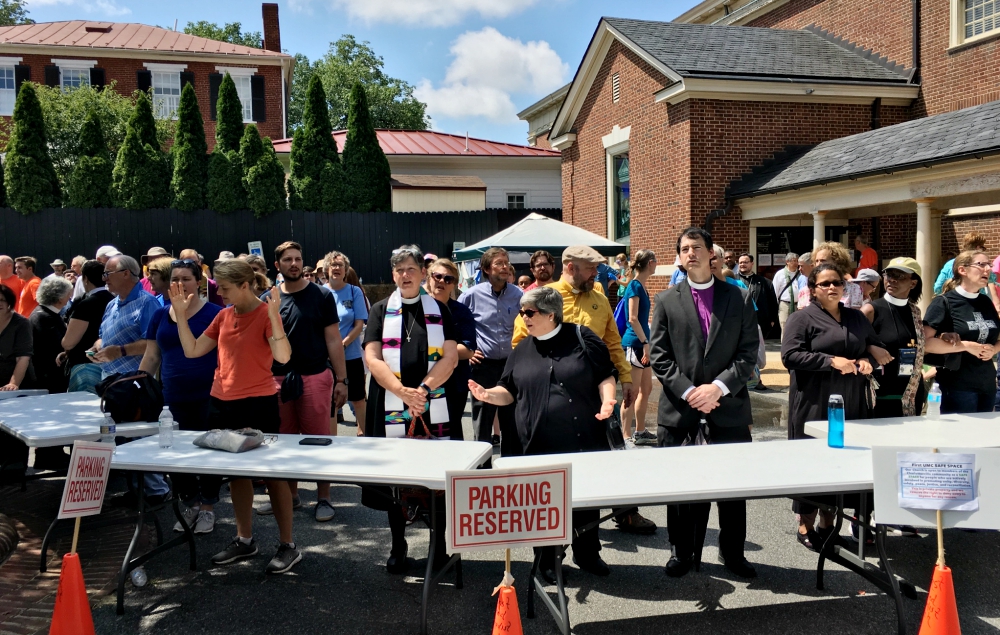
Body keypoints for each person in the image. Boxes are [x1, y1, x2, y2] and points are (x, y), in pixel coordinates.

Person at [470, 286, 617, 580]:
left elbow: (605, 374)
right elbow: (508, 391)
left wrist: (608, 400)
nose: (523, 318)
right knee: (544, 505)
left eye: (529, 312)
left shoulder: (581, 337)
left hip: (581, 439)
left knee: (585, 499)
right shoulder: (522, 349)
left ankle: (588, 553)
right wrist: (488, 395)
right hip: (535, 443)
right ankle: (547, 559)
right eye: (521, 312)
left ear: (551, 314)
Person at [512, 246, 653, 535]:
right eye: (591, 268)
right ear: (570, 267)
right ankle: (551, 552)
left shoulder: (599, 299)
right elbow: (520, 344)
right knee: (551, 477)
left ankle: (619, 519)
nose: (596, 273)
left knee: (605, 459)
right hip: (553, 402)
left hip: (595, 397)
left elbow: (613, 343)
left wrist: (625, 378)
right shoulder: (543, 299)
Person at [171, 258, 299, 573]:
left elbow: (283, 356)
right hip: (221, 402)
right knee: (236, 473)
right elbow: (193, 350)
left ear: (245, 285)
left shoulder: (267, 313)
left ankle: (288, 545)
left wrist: (275, 319)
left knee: (272, 474)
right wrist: (182, 317)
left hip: (259, 403)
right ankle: (245, 540)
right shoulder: (224, 316)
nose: (221, 294)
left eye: (225, 288)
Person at [650, 227, 758, 579]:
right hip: (680, 411)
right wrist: (689, 392)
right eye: (684, 249)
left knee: (732, 490)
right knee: (680, 490)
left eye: (697, 247)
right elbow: (660, 357)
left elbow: (747, 356)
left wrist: (717, 389)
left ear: (712, 253)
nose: (691, 253)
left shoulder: (738, 297)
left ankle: (733, 553)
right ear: (679, 257)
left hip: (728, 410)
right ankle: (681, 552)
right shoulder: (666, 301)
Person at [362, 245, 459, 574]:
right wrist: (402, 391)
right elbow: (372, 358)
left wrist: (423, 390)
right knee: (396, 476)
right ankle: (398, 543)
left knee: (437, 478)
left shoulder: (440, 311)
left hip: (433, 402)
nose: (405, 275)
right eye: (399, 270)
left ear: (422, 274)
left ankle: (440, 545)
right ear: (393, 275)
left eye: (411, 269)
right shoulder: (378, 311)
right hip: (391, 400)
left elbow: (450, 357)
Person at [781, 263, 881, 550]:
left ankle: (830, 519)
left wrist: (867, 363)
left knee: (842, 461)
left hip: (851, 401)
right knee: (812, 462)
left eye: (837, 282)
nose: (832, 287)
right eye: (824, 283)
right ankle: (805, 522)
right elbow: (790, 355)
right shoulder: (802, 318)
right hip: (814, 402)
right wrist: (830, 361)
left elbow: (873, 348)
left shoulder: (856, 318)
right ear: (813, 289)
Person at [258, 242, 348, 523]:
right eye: (287, 260)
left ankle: (324, 497)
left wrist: (342, 380)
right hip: (277, 380)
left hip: (315, 377)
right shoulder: (267, 299)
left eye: (298, 258)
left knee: (319, 440)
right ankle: (290, 496)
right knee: (283, 441)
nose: (294, 264)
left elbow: (333, 339)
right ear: (278, 265)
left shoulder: (321, 296)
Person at [139, 259, 223, 535]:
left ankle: (208, 508)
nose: (180, 284)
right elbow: (152, 356)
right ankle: (190, 503)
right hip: (171, 396)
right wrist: (139, 388)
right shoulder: (160, 315)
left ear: (198, 282)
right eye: (175, 279)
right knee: (175, 452)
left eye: (186, 278)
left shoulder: (215, 313)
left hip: (209, 394)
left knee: (209, 451)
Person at [91, 254, 170, 503]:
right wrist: (99, 347)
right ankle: (136, 489)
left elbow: (152, 344)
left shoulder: (147, 304)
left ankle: (156, 491)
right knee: (121, 437)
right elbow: (103, 334)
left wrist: (120, 351)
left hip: (136, 383)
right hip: (112, 381)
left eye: (108, 273)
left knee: (140, 436)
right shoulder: (112, 303)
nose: (104, 279)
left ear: (126, 273)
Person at [862, 258, 955, 418]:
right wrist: (871, 347)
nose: (892, 280)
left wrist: (943, 335)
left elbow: (918, 342)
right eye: (888, 274)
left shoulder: (915, 312)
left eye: (899, 276)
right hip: (881, 395)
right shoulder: (871, 310)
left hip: (911, 393)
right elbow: (851, 342)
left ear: (912, 283)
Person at [459, 247, 522, 455]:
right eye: (499, 263)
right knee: (483, 420)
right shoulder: (471, 296)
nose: (505, 267)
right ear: (487, 269)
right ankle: (482, 468)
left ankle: (511, 464)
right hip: (483, 366)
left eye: (506, 262)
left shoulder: (518, 295)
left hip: (511, 366)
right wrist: (468, 350)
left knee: (511, 418)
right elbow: (455, 323)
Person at [924, 250, 1000, 414]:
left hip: (986, 384)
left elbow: (997, 338)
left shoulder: (985, 302)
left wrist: (994, 349)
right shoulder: (944, 302)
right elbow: (926, 343)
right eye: (981, 264)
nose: (988, 269)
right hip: (957, 385)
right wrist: (965, 346)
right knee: (960, 438)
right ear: (962, 270)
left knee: (984, 438)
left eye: (989, 265)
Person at [425, 258, 478, 440]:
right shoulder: (415, 308)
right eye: (437, 276)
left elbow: (469, 348)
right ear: (428, 278)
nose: (441, 281)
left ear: (454, 284)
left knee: (452, 432)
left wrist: (438, 353)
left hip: (454, 384)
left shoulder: (461, 311)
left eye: (448, 279)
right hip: (421, 381)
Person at [325, 251, 369, 434]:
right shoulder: (320, 293)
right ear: (327, 269)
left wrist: (342, 344)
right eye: (333, 265)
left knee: (358, 399)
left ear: (346, 270)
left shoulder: (354, 291)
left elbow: (359, 324)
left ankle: (368, 438)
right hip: (326, 358)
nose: (337, 268)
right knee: (331, 404)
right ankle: (332, 444)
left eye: (340, 265)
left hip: (351, 355)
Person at [620, 249, 657, 445]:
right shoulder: (634, 286)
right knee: (631, 392)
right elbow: (632, 318)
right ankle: (625, 435)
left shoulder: (641, 286)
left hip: (643, 343)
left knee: (647, 388)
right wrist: (645, 343)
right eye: (656, 261)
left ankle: (640, 431)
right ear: (650, 263)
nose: (656, 264)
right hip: (635, 343)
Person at [61, 260, 114, 393]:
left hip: (86, 368)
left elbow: (68, 343)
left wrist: (65, 346)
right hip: (111, 366)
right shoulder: (115, 300)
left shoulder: (86, 305)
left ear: (85, 278)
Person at [30, 277, 73, 394]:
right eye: (68, 295)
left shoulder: (44, 312)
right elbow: (59, 344)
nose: (69, 298)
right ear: (59, 298)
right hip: (49, 376)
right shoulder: (44, 317)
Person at [933, 232, 999, 301]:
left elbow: (937, 288)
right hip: (976, 302)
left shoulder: (949, 264)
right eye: (983, 248)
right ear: (978, 247)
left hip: (953, 302)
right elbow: (993, 279)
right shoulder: (980, 265)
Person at [0, 284, 33, 391]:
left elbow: (23, 357)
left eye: (2, 300)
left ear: (9, 302)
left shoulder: (21, 323)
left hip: (18, 384)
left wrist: (13, 384)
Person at [736, 253, 776, 340]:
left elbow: (772, 301)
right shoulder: (733, 281)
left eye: (745, 262)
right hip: (738, 320)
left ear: (752, 263)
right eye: (740, 263)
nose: (742, 265)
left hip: (759, 321)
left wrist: (772, 320)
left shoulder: (764, 282)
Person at [812, 242, 864, 309]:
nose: (818, 264)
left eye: (823, 261)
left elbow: (855, 317)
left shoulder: (854, 289)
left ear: (837, 262)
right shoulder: (809, 289)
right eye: (816, 261)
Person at [774, 252, 804, 336]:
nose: (796, 263)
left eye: (797, 261)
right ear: (787, 262)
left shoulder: (801, 273)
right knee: (785, 327)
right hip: (785, 305)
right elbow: (775, 290)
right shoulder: (780, 274)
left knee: (798, 327)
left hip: (799, 305)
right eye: (793, 261)